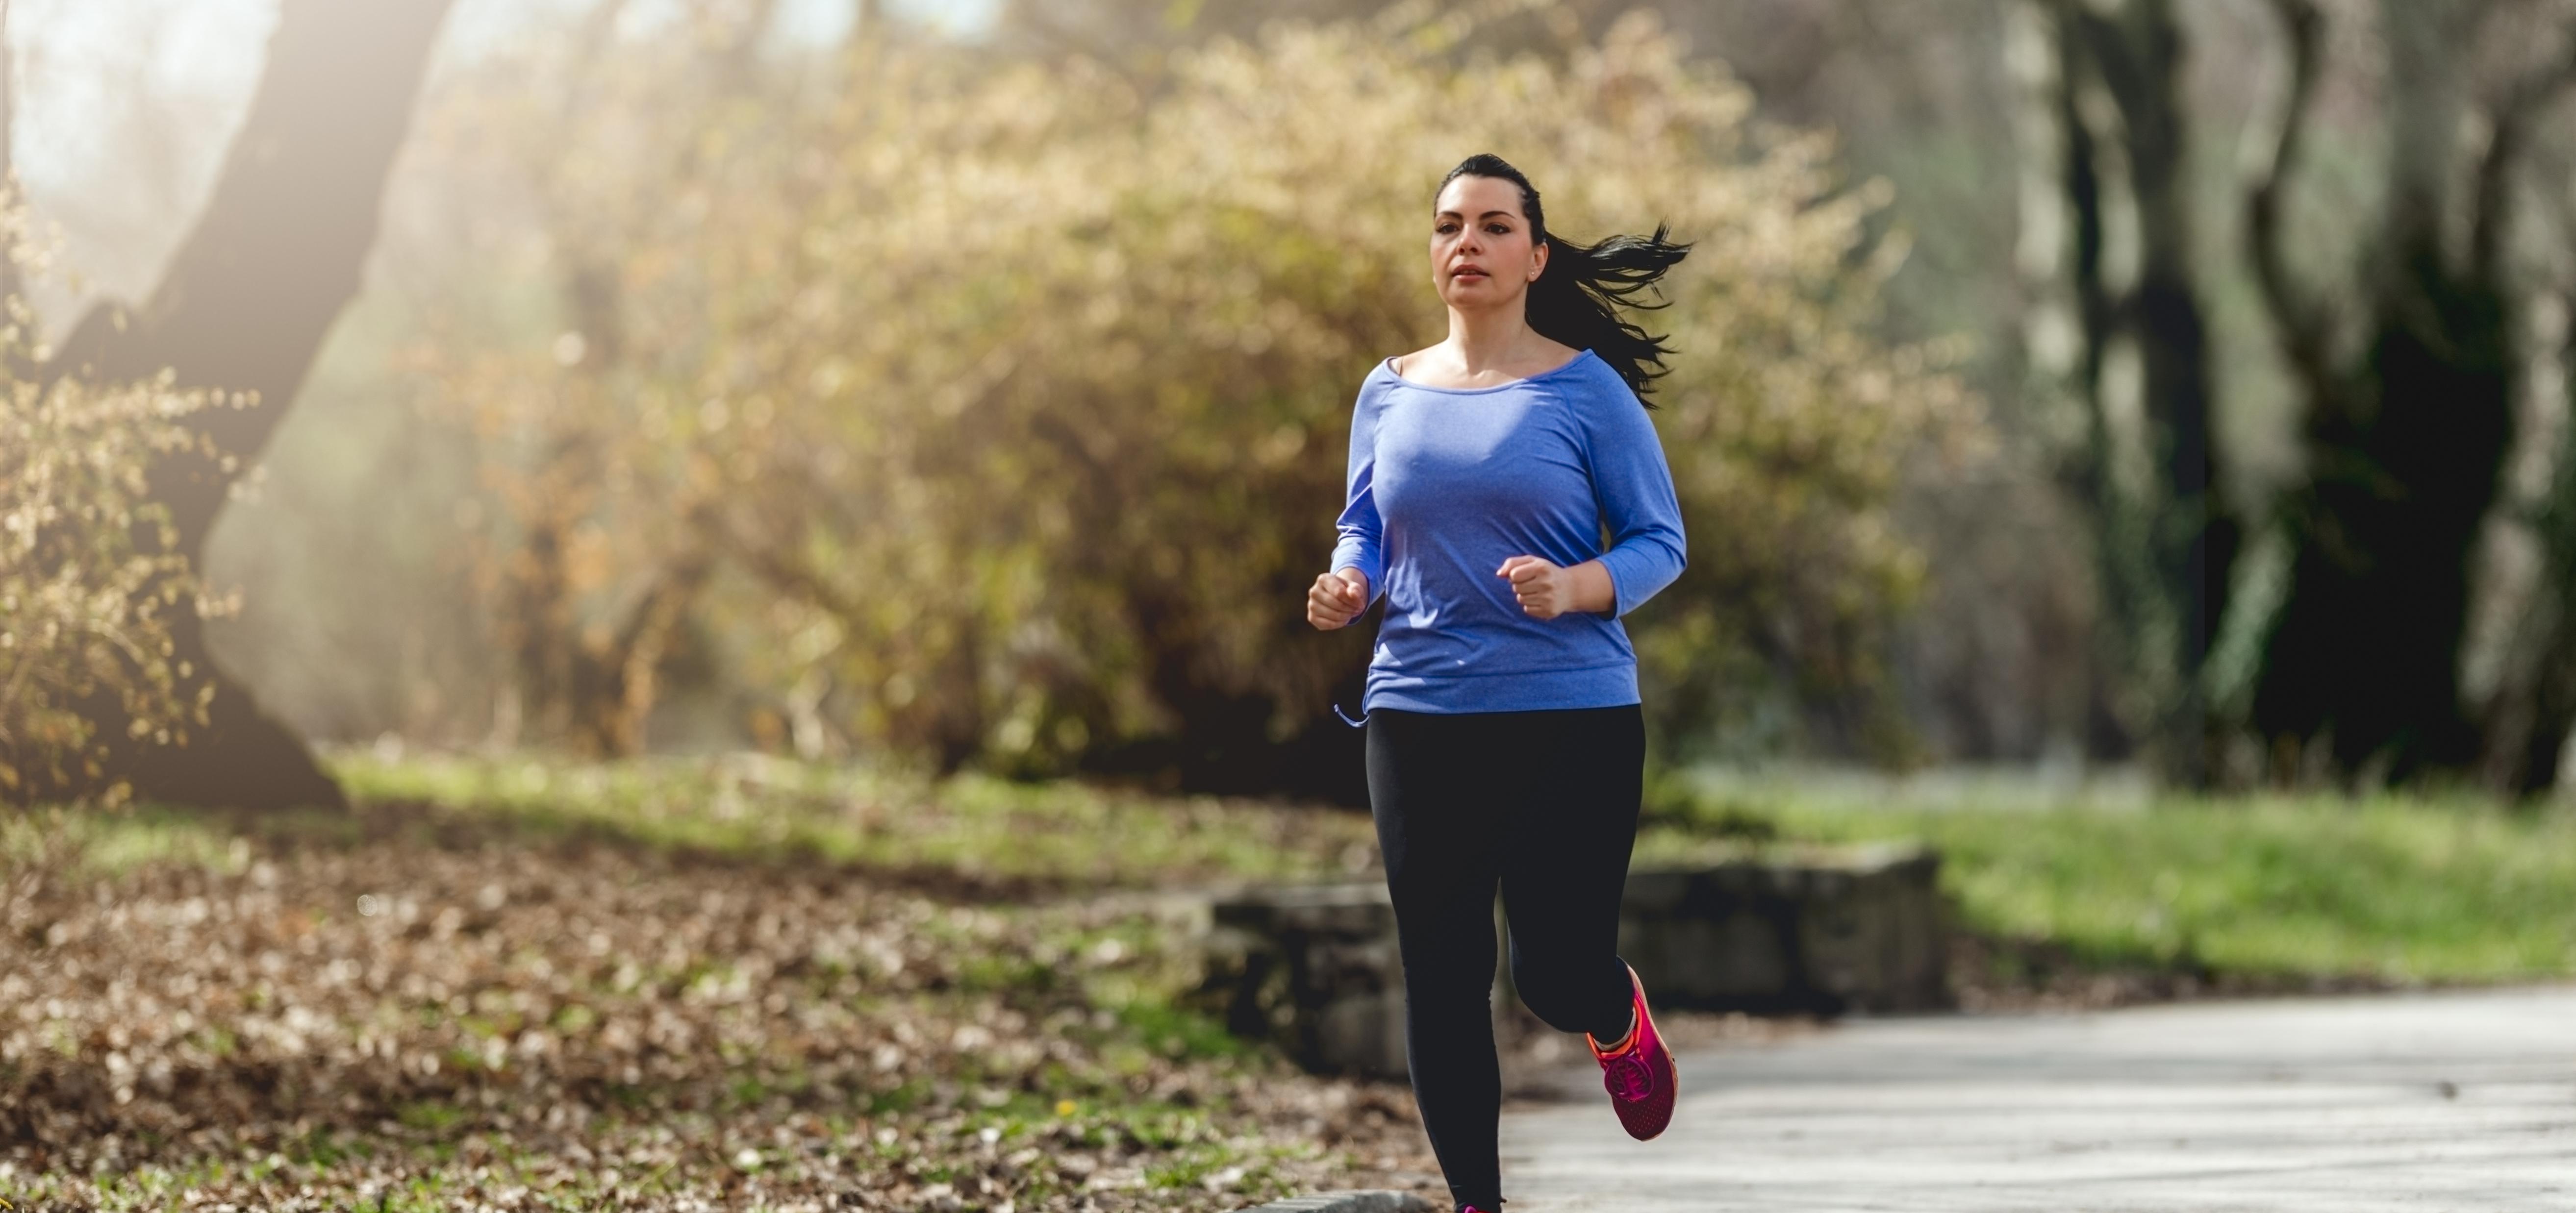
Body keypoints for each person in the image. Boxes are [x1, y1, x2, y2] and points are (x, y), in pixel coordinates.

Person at [1307, 152, 1691, 1213]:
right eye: (1445, 226)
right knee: (1439, 974)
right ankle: (1478, 1201)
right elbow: (1365, 523)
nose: (1462, 242)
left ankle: (1613, 1016)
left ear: (1534, 254)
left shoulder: (1584, 389)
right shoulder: (1387, 389)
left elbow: (1661, 540)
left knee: (1552, 972)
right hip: (1418, 713)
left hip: (1572, 715)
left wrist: (1579, 586)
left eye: (1488, 225)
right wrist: (1349, 580)